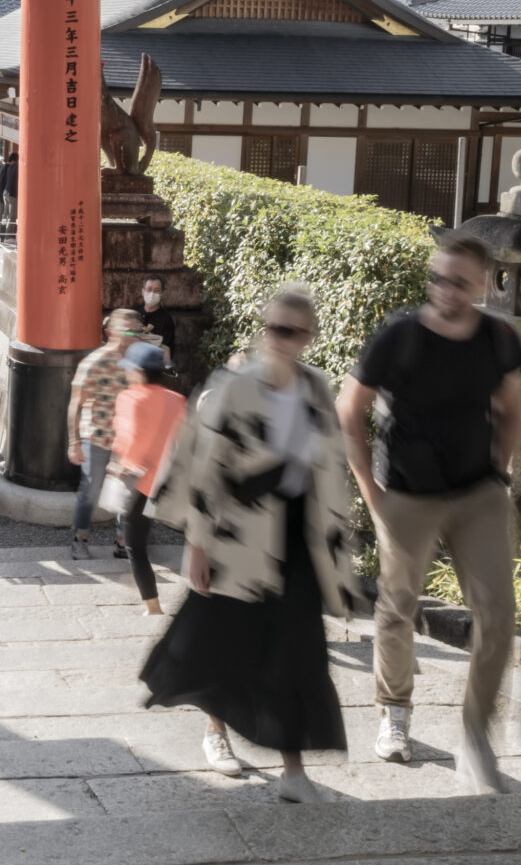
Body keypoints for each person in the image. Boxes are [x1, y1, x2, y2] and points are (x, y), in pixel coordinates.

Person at [141, 284, 361, 802]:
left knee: (299, 653)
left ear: (308, 337)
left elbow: (330, 471)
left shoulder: (316, 389)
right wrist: (195, 544)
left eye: (291, 331)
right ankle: (216, 733)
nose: (278, 339)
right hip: (235, 537)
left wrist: (338, 553)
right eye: (272, 328)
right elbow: (200, 466)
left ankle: (293, 773)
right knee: (223, 641)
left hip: (295, 537)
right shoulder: (234, 388)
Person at [338, 232, 521, 789]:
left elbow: (511, 407)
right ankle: (394, 715)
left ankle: (476, 734)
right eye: (439, 278)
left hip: (477, 493)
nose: (446, 290)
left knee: (498, 616)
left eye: (460, 282)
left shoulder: (497, 337)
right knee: (398, 607)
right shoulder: (400, 335)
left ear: (483, 286)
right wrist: (370, 492)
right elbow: (350, 410)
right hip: (408, 494)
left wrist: (500, 471)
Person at [108, 342, 188, 615]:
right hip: (171, 482)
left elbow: (130, 440)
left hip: (140, 483)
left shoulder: (130, 398)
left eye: (130, 370)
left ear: (139, 372)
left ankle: (153, 607)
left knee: (135, 546)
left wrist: (121, 466)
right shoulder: (177, 400)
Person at [65, 309, 151, 561]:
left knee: (129, 489)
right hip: (98, 435)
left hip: (129, 438)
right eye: (129, 330)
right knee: (91, 488)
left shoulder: (140, 362)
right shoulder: (95, 362)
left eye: (138, 330)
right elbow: (75, 403)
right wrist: (74, 442)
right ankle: (79, 538)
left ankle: (123, 542)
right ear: (111, 331)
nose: (135, 335)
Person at [138, 276, 180, 359]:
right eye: (149, 289)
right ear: (143, 291)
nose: (152, 293)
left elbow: (167, 349)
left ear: (162, 294)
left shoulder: (166, 319)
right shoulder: (134, 312)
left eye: (156, 290)